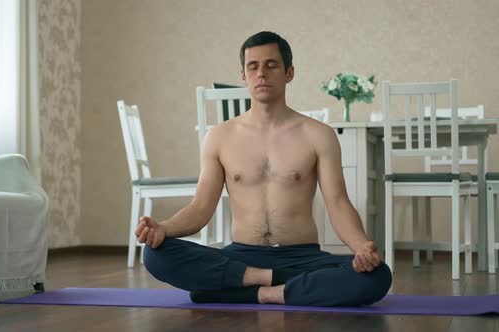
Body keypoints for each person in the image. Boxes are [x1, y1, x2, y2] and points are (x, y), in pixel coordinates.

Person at [135, 31, 392, 306]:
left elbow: (338, 203)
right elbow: (200, 209)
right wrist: (163, 228)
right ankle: (279, 284)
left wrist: (361, 246)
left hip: (301, 257)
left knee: (377, 275)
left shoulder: (319, 135)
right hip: (241, 256)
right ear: (243, 76)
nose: (262, 74)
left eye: (271, 65)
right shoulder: (219, 136)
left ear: (289, 72)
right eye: (253, 66)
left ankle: (253, 292)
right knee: (154, 254)